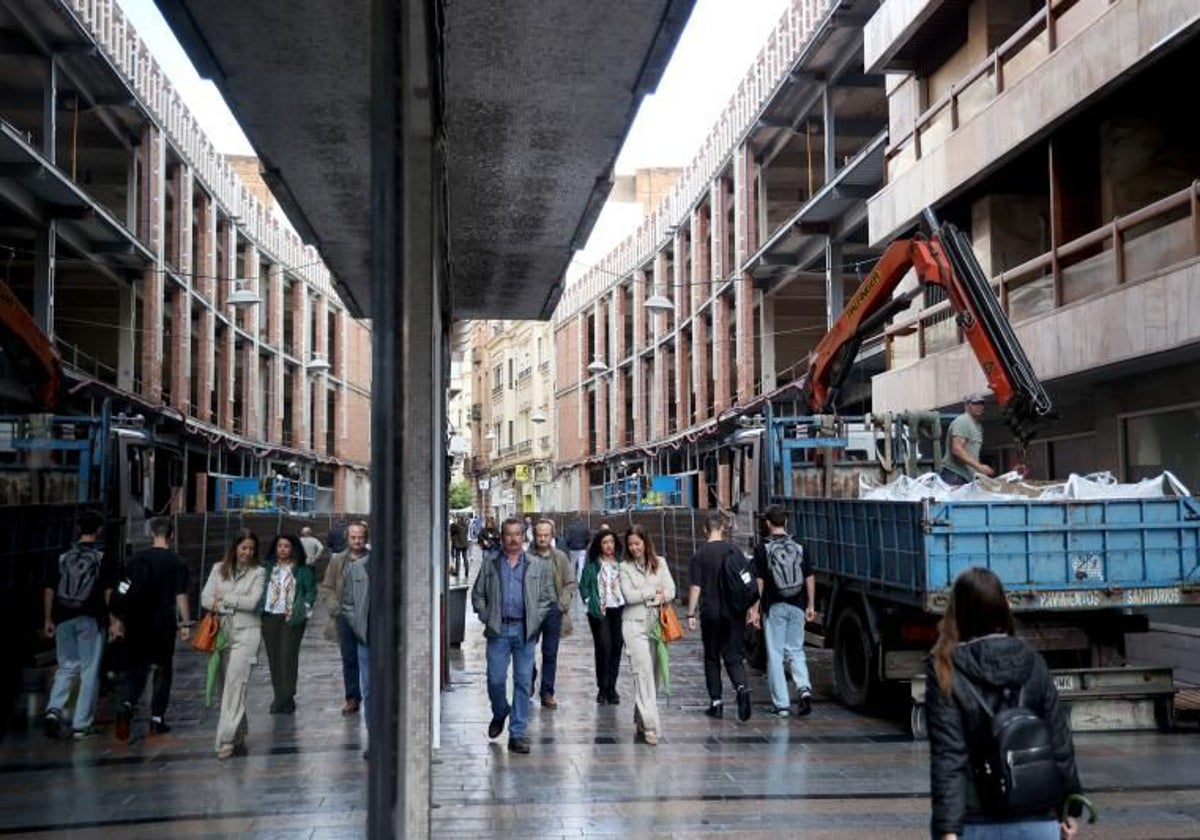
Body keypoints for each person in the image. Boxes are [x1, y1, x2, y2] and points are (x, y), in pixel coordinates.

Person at [928, 567, 1084, 840]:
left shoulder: (946, 669)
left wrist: (948, 829)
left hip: (974, 820)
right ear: (1002, 608)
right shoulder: (1034, 662)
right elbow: (1060, 743)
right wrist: (1069, 807)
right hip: (1036, 813)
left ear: (957, 612)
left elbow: (949, 757)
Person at [470, 517, 556, 754]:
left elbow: (548, 596)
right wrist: (487, 615)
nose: (513, 539)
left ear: (523, 536)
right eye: (508, 534)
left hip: (525, 630)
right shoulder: (491, 563)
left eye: (518, 534)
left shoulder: (535, 564)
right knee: (495, 679)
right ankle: (500, 712)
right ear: (502, 535)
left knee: (522, 681)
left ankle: (517, 733)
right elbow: (477, 594)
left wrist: (536, 619)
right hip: (498, 630)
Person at [42, 509, 118, 740]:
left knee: (66, 666)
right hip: (91, 619)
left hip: (63, 617)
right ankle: (81, 724)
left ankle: (53, 711)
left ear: (78, 530)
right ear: (99, 530)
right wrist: (114, 621)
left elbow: (49, 589)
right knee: (88, 671)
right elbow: (108, 592)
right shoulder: (104, 556)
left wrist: (48, 619)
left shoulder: (62, 554)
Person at [113, 517, 191, 740]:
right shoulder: (177, 563)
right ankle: (157, 719)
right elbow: (180, 595)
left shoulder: (134, 560)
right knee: (162, 670)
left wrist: (117, 621)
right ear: (171, 536)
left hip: (136, 622)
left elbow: (122, 590)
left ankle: (127, 705)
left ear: (152, 534)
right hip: (162, 624)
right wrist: (185, 623)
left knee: (136, 669)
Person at [201, 529, 266, 759]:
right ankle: (239, 732)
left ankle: (225, 739)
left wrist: (224, 600)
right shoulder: (218, 569)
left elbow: (253, 602)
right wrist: (231, 603)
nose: (247, 552)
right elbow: (205, 598)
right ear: (235, 548)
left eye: (251, 548)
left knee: (235, 685)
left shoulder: (258, 572)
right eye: (243, 547)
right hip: (221, 634)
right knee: (224, 685)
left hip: (248, 633)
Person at [685, 511, 752, 721]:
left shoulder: (700, 554)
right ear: (723, 528)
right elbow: (747, 581)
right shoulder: (735, 551)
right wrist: (751, 608)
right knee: (734, 656)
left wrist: (690, 614)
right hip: (734, 613)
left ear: (705, 529)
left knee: (712, 657)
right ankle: (741, 688)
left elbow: (696, 587)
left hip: (711, 613)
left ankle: (716, 703)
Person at [751, 505, 815, 718]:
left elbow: (759, 581)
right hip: (798, 605)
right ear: (785, 522)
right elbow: (809, 577)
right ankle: (804, 689)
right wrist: (811, 605)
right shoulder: (800, 545)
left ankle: (782, 705)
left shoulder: (763, 548)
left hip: (775, 606)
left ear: (768, 523)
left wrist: (755, 609)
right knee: (796, 650)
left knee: (776, 655)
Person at [619, 524, 675, 746]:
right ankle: (651, 726)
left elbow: (670, 590)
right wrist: (653, 592)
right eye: (631, 544)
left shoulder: (660, 563)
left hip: (657, 624)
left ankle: (641, 719)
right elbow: (629, 596)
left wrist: (657, 595)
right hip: (634, 625)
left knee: (655, 675)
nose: (634, 548)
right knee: (642, 675)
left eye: (637, 543)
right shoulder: (624, 567)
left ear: (645, 542)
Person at [259, 533, 317, 714]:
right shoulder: (267, 567)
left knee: (287, 656)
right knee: (274, 658)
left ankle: (286, 696)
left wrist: (304, 611)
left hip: (292, 618)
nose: (282, 549)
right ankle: (280, 697)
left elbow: (311, 592)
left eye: (286, 546)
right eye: (279, 546)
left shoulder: (302, 569)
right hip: (269, 617)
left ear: (293, 549)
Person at [319, 522, 370, 717]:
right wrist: (335, 609)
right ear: (347, 539)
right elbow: (327, 587)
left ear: (366, 538)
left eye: (361, 537)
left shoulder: (373, 559)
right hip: (345, 617)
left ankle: (371, 695)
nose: (357, 541)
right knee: (349, 658)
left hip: (367, 617)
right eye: (353, 537)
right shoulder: (338, 561)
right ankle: (352, 698)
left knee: (370, 658)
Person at [529, 519, 576, 708]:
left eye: (546, 535)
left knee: (550, 653)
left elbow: (570, 583)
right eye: (539, 535)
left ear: (551, 535)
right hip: (532, 612)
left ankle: (547, 692)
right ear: (534, 535)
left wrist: (561, 605)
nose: (542, 538)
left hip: (552, 612)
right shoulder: (526, 557)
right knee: (527, 652)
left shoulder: (560, 557)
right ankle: (528, 682)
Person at [579, 527, 625, 705]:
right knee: (604, 646)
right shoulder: (592, 565)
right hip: (599, 611)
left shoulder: (621, 563)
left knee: (617, 646)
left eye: (611, 542)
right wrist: (589, 600)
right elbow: (583, 585)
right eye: (605, 542)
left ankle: (612, 687)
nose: (609, 546)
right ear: (599, 545)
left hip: (618, 608)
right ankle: (602, 688)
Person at [940, 392, 995, 486]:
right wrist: (979, 467)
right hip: (955, 476)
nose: (979, 406)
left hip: (966, 477)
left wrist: (978, 470)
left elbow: (971, 453)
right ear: (967, 405)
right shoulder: (963, 421)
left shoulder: (978, 426)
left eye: (981, 404)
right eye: (975, 403)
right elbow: (957, 449)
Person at [563, 517, 590, 587]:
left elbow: (567, 538)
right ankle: (580, 580)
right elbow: (588, 538)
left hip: (573, 548)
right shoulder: (585, 527)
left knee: (572, 564)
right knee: (581, 565)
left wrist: (569, 545)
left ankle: (571, 579)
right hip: (582, 548)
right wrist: (585, 545)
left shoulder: (570, 528)